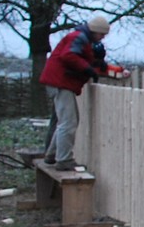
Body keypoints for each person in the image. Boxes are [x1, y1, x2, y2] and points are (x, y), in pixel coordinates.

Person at [39, 14, 111, 170]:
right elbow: (69, 56)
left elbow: (80, 57)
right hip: (60, 82)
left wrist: (96, 63)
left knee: (66, 121)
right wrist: (88, 69)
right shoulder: (78, 37)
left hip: (61, 82)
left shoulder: (83, 39)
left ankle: (52, 155)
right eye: (102, 34)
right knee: (68, 122)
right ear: (95, 31)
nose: (103, 37)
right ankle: (64, 160)